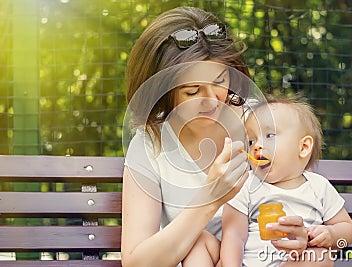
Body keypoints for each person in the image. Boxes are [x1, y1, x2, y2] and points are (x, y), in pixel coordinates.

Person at [121, 6, 311, 267]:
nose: (212, 101)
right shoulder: (150, 145)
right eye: (192, 91)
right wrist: (210, 199)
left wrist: (302, 234)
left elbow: (303, 192)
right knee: (196, 241)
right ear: (163, 90)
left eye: (220, 81)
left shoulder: (259, 121)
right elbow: (135, 262)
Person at [220, 95, 352, 267]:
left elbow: (346, 227)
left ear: (304, 147)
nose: (256, 146)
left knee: (320, 256)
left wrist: (332, 233)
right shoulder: (245, 184)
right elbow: (233, 235)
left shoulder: (318, 186)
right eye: (251, 140)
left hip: (295, 263)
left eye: (269, 135)